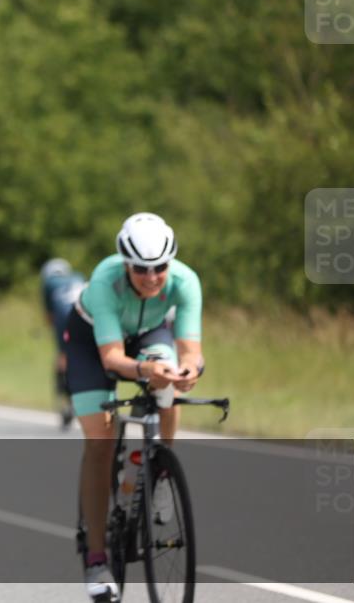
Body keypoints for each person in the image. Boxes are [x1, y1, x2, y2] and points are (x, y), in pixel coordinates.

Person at [65, 213, 203, 602]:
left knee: (169, 384)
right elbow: (111, 358)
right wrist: (145, 369)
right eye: (141, 268)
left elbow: (192, 350)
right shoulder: (107, 279)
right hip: (91, 342)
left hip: (149, 332)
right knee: (100, 442)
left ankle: (158, 473)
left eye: (160, 266)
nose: (152, 276)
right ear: (126, 263)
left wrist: (187, 370)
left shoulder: (185, 281)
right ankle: (96, 557)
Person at [39, 258, 86, 429]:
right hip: (86, 316)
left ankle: (65, 396)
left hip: (65, 321)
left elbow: (50, 315)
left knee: (63, 357)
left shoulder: (49, 283)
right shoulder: (78, 276)